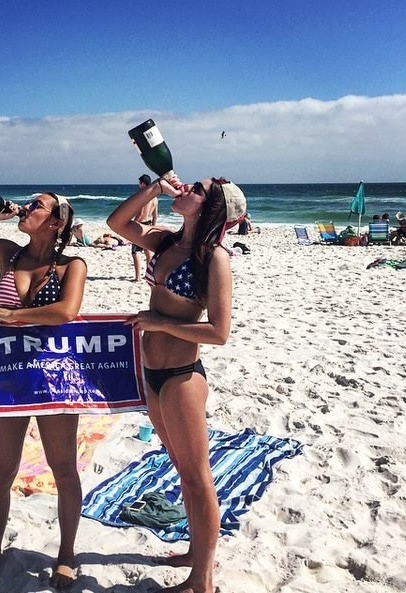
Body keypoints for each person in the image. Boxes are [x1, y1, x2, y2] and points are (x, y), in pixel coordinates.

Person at [107, 175, 246, 593]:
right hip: (153, 373)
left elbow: (219, 332)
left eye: (197, 190)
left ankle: (201, 581)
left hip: (182, 377)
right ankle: (195, 552)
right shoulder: (166, 242)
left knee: (197, 477)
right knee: (182, 470)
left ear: (211, 208)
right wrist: (154, 189)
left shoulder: (213, 259)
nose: (186, 189)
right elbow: (117, 223)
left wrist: (160, 323)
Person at [0, 193, 86, 587]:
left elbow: (67, 311)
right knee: (2, 470)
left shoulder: (72, 265)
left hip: (56, 377)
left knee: (64, 469)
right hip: (10, 375)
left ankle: (66, 553)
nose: (27, 207)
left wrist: (12, 315)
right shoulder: (8, 254)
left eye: (37, 205)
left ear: (56, 222)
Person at [131, 175, 158, 281]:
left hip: (140, 224)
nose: (138, 185)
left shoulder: (143, 196)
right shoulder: (154, 198)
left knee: (135, 252)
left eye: (139, 183)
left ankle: (137, 276)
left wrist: (132, 224)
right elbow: (155, 215)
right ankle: (148, 274)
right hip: (149, 224)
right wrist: (153, 227)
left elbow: (141, 213)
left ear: (143, 183)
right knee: (147, 251)